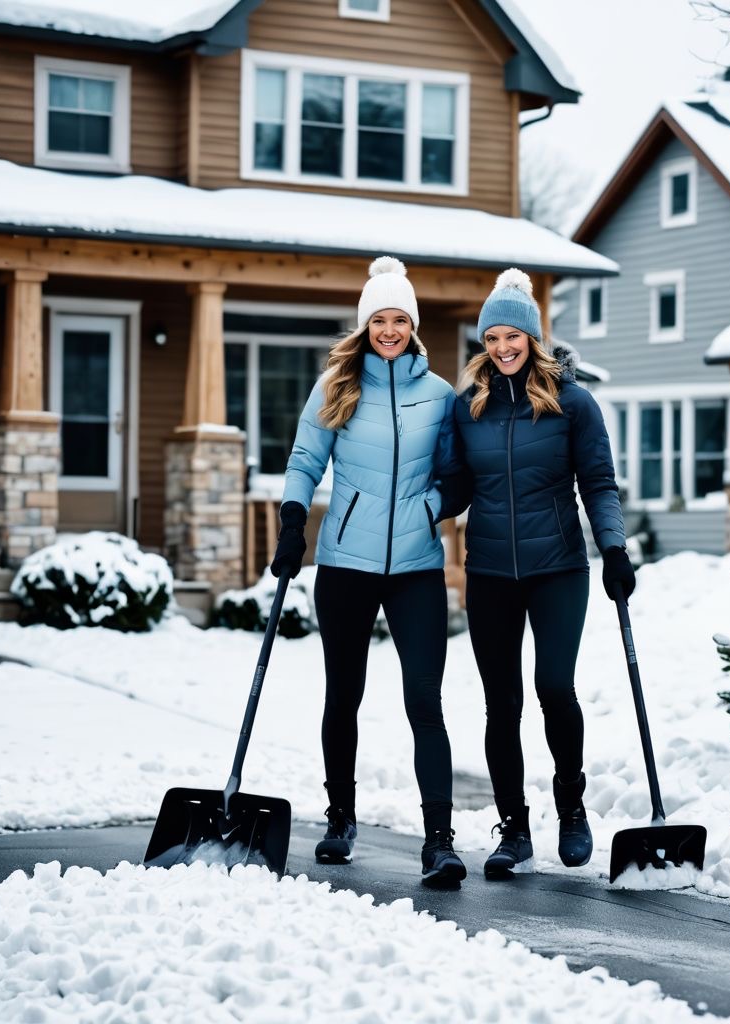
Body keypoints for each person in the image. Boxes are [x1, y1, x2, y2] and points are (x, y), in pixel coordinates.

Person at [269, 256, 467, 889]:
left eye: (398, 319)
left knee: (423, 700)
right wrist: (293, 521)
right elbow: (305, 457)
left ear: (413, 325)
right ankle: (340, 819)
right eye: (378, 319)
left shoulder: (439, 395)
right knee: (343, 693)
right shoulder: (336, 386)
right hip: (346, 564)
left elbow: (456, 475)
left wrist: (431, 508)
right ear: (365, 324)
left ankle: (439, 840)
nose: (388, 330)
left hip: (415, 568)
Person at [447, 268, 636, 879]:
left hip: (558, 567)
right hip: (492, 573)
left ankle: (572, 808)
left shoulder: (574, 404)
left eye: (514, 336)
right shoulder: (467, 408)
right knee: (501, 704)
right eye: (493, 336)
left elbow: (599, 484)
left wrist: (613, 548)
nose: (503, 347)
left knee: (554, 687)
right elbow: (453, 486)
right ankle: (514, 829)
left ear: (534, 339)